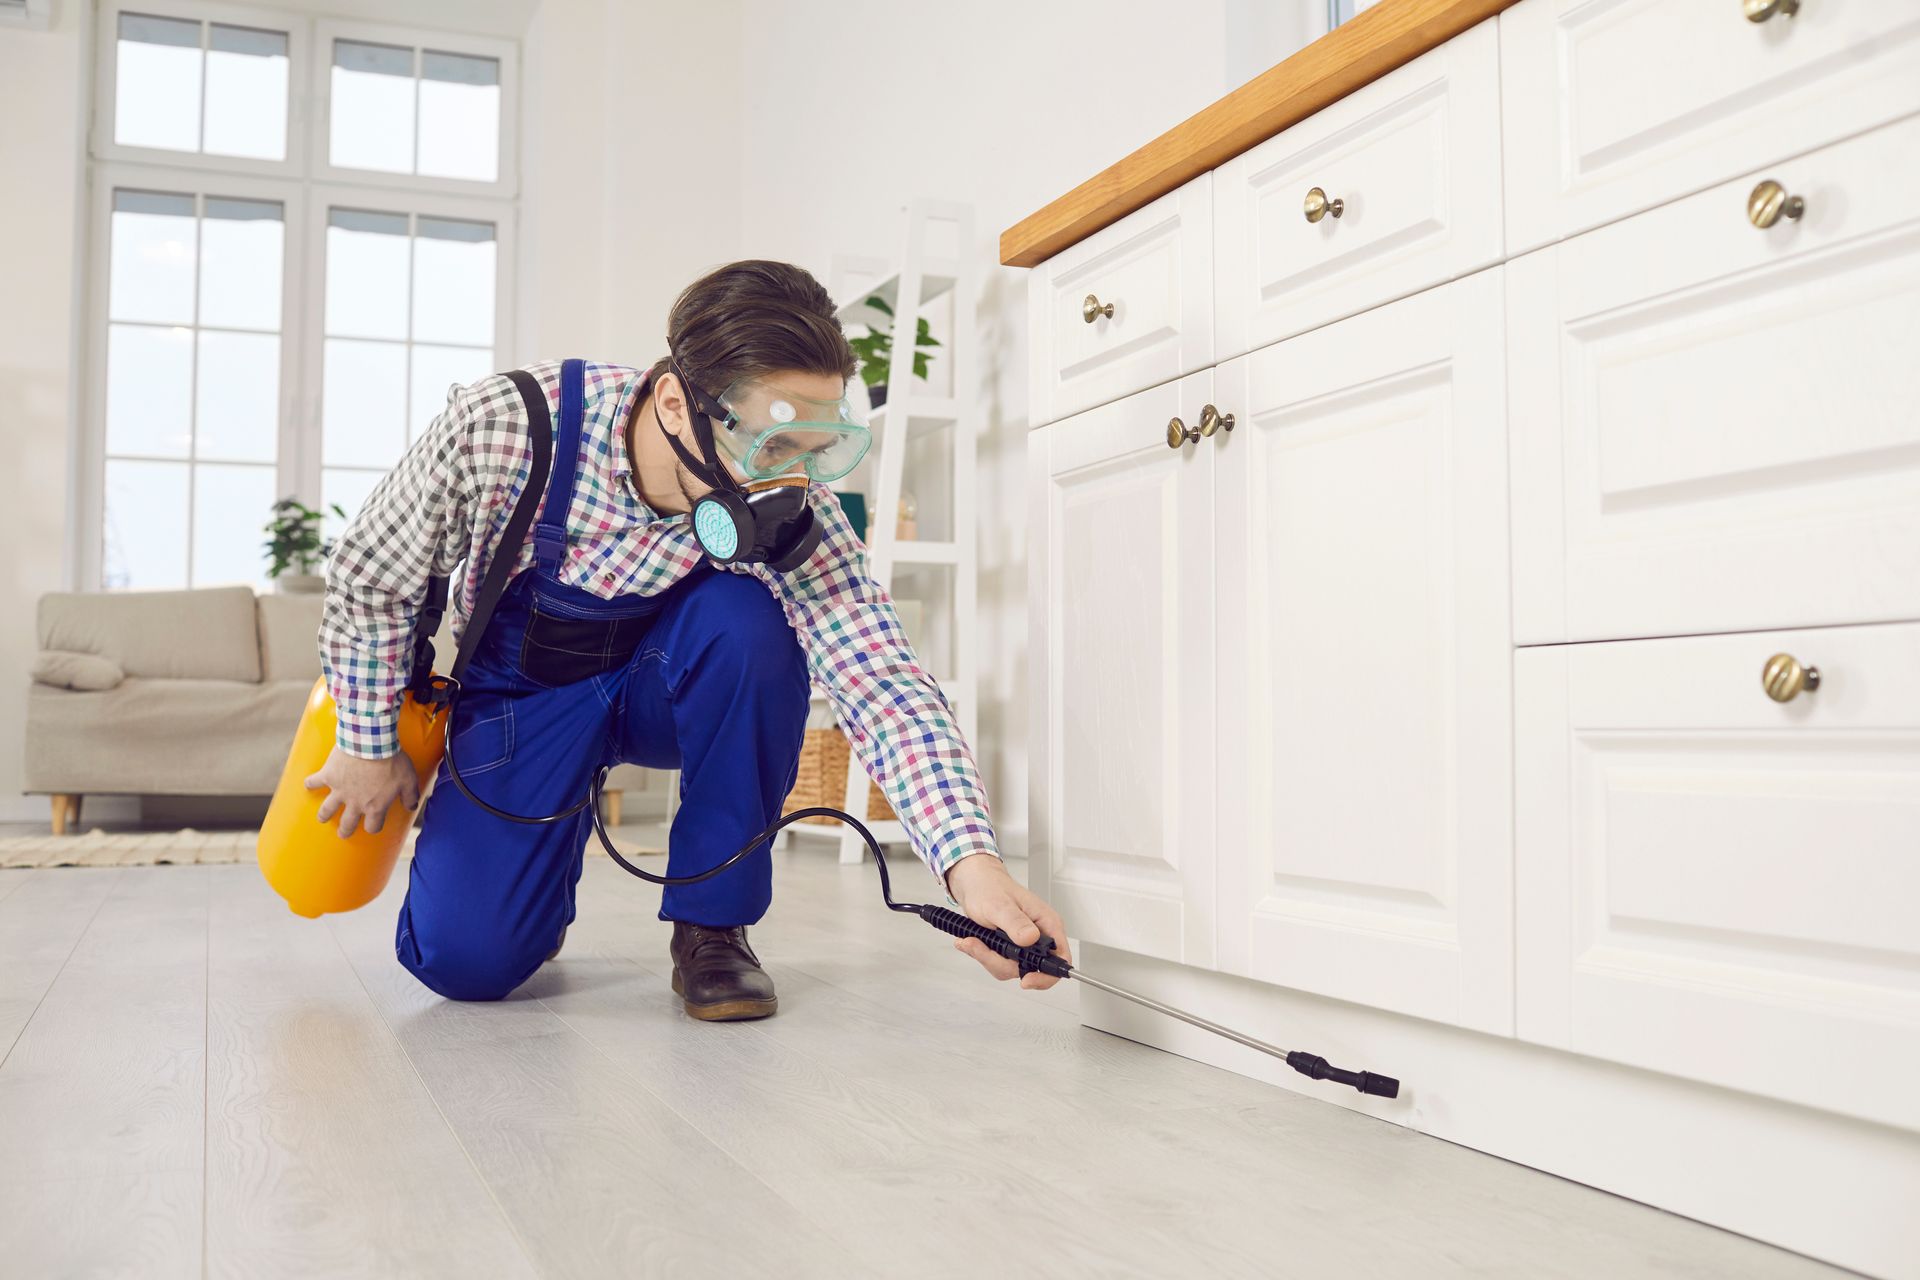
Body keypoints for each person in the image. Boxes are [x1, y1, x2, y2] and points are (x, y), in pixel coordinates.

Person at [303, 259, 1070, 1017]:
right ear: (676, 402)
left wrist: (972, 868)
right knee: (465, 965)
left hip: (661, 688)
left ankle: (713, 924)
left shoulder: (796, 510)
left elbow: (881, 678)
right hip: (521, 695)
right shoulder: (508, 425)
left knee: (752, 624)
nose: (795, 480)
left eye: (819, 446)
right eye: (773, 444)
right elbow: (373, 578)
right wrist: (367, 741)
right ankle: (539, 849)